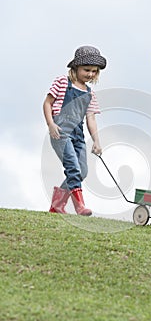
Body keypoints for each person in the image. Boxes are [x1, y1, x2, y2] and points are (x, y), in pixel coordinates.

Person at [43, 45, 106, 216]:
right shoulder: (63, 82)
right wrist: (51, 124)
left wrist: (97, 142)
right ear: (76, 67)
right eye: (87, 70)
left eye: (94, 71)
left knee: (82, 171)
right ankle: (80, 206)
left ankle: (57, 204)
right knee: (73, 167)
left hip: (77, 135)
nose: (90, 74)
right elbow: (47, 103)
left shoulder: (90, 94)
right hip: (60, 131)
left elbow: (91, 118)